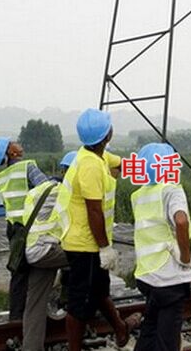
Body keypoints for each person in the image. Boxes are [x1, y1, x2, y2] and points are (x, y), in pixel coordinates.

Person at [51, 109, 141, 350]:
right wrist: (104, 248)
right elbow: (94, 211)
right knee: (80, 303)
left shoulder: (95, 155)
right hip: (85, 246)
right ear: (107, 134)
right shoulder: (90, 166)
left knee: (100, 291)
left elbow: (121, 164)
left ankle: (121, 330)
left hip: (87, 241)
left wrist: (153, 167)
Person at [131, 143, 191, 351]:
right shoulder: (171, 189)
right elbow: (181, 222)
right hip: (169, 278)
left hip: (147, 275)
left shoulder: (139, 195)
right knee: (167, 341)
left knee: (150, 327)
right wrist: (185, 257)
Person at [0, 136, 51, 320]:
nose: (17, 143)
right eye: (12, 143)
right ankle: (34, 316)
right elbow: (47, 188)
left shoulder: (1, 177)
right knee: (40, 270)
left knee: (19, 274)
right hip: (31, 227)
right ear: (10, 151)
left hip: (13, 229)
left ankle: (16, 317)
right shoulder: (27, 167)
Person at [21, 151, 77, 351]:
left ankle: (31, 347)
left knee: (35, 303)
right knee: (88, 258)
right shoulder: (67, 193)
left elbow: (33, 172)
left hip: (32, 250)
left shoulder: (43, 187)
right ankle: (71, 301)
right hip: (46, 251)